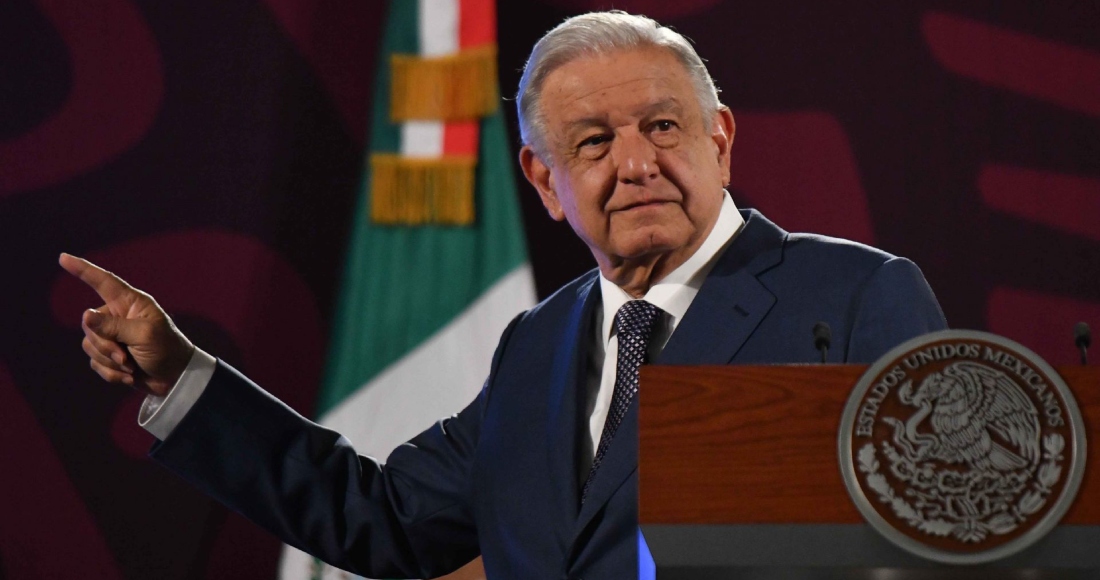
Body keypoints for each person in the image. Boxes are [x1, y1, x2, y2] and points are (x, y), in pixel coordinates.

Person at [61, 11, 947, 579]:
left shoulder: (856, 294)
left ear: (720, 140)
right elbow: (384, 519)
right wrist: (182, 376)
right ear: (545, 180)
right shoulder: (537, 343)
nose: (635, 163)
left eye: (663, 126)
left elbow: (942, 540)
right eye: (593, 142)